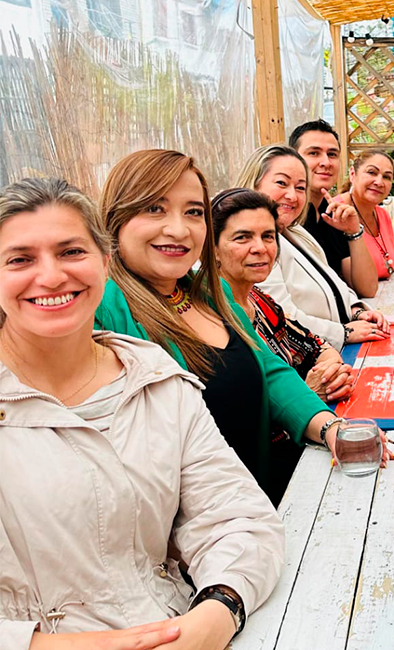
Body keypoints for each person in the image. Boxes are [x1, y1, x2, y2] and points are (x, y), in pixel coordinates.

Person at [0, 178, 283, 650]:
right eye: (20, 259)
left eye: (71, 252)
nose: (50, 276)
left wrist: (218, 609)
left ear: (104, 262)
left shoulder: (155, 381)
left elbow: (237, 519)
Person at [93, 149, 383, 507]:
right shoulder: (101, 312)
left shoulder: (210, 292)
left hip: (260, 499)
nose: (179, 228)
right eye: (155, 208)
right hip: (188, 535)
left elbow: (270, 370)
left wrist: (331, 429)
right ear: (115, 217)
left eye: (193, 212)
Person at [238, 144, 389, 350]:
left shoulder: (294, 232)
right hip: (310, 356)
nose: (292, 196)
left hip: (331, 347)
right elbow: (279, 316)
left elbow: (331, 280)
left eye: (300, 187)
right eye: (282, 183)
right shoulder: (254, 246)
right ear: (254, 184)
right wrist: (343, 333)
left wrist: (356, 310)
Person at [211, 187, 354, 402]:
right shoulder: (208, 317)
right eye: (242, 237)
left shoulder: (260, 300)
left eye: (268, 236)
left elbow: (317, 346)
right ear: (212, 248)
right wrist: (309, 393)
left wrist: (329, 373)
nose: (260, 248)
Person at [289, 119, 378, 298]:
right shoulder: (289, 216)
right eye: (314, 153)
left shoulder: (331, 212)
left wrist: (354, 232)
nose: (326, 162)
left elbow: (368, 288)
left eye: (332, 154)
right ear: (293, 159)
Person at [337, 151, 394, 279]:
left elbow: (373, 263)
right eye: (371, 173)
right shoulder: (336, 213)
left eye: (387, 177)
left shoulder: (382, 215)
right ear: (353, 174)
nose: (379, 182)